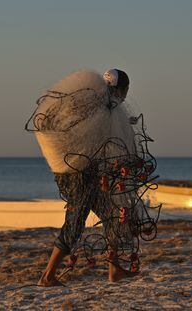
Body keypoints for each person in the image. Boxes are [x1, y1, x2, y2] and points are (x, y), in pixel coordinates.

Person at [31, 68, 136, 286]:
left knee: (114, 216)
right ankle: (47, 276)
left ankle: (114, 271)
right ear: (122, 89)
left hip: (89, 174)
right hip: (79, 177)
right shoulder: (103, 109)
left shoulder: (95, 105)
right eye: (125, 90)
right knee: (75, 223)